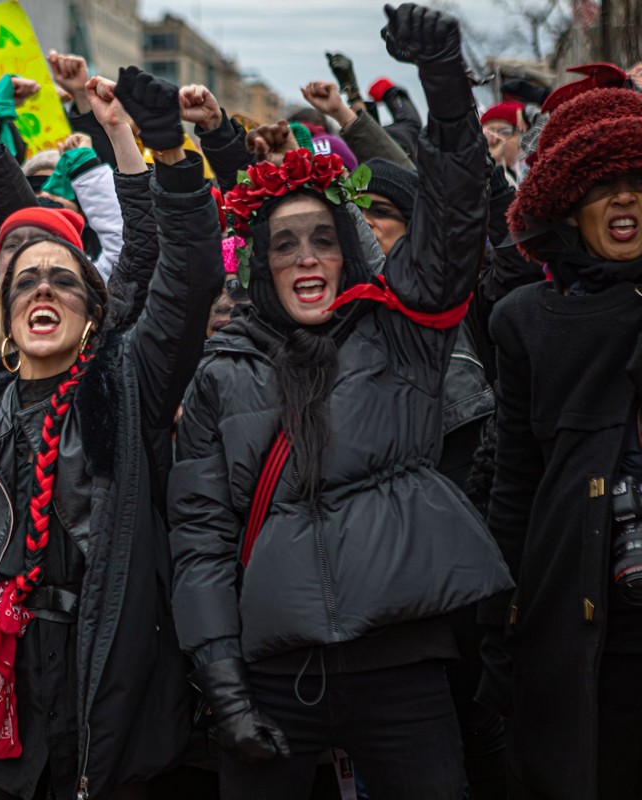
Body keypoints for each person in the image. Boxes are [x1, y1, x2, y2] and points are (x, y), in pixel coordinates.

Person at [168, 6, 512, 798]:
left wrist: (446, 91)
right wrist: (220, 678)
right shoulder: (221, 375)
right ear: (260, 268)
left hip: (405, 674)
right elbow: (202, 539)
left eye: (323, 238)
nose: (305, 257)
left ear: (350, 248)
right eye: (283, 244)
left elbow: (456, 219)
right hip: (271, 678)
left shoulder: (402, 331)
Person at [0, 66, 221, 800]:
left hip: (104, 682)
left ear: (91, 313)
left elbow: (184, 272)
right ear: (2, 313)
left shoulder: (123, 385)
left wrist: (156, 148)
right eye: (25, 280)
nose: (42, 288)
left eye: (64, 279)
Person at [481, 85, 642, 799]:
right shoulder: (527, 321)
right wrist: (499, 631)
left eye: (639, 183)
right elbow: (515, 483)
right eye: (604, 185)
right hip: (582, 628)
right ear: (569, 203)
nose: (624, 201)